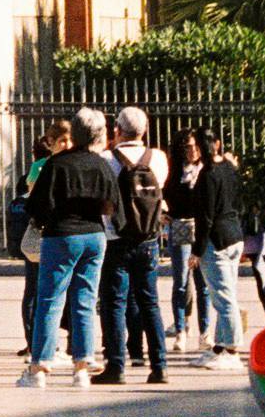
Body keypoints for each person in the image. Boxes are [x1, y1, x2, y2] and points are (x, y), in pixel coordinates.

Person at [15, 108, 114, 386]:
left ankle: (40, 368)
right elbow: (111, 204)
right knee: (84, 299)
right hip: (94, 235)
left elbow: (34, 206)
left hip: (61, 234)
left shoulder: (57, 165)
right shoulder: (100, 164)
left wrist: (52, 219)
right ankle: (82, 365)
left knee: (50, 300)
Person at [95, 107, 173, 385]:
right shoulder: (159, 158)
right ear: (145, 130)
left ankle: (116, 366)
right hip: (149, 239)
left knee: (114, 304)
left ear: (117, 129)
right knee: (150, 302)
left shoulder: (106, 159)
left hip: (116, 239)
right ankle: (160, 365)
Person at [9, 120, 70, 362]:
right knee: (57, 292)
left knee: (35, 291)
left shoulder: (33, 171)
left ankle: (35, 343)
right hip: (57, 233)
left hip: (39, 234)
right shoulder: (59, 167)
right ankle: (53, 346)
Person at [195, 131, 248, 364]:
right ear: (217, 143)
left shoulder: (208, 175)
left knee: (224, 298)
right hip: (234, 233)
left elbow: (205, 217)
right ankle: (220, 345)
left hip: (216, 239)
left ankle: (233, 349)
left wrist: (197, 249)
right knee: (226, 293)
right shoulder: (229, 167)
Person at [161, 130, 208, 348]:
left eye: (196, 146)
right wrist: (164, 213)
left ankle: (205, 331)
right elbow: (164, 194)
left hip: (201, 228)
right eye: (188, 147)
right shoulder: (174, 170)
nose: (192, 151)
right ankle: (181, 329)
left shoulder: (207, 170)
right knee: (180, 280)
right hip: (180, 226)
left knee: (203, 283)